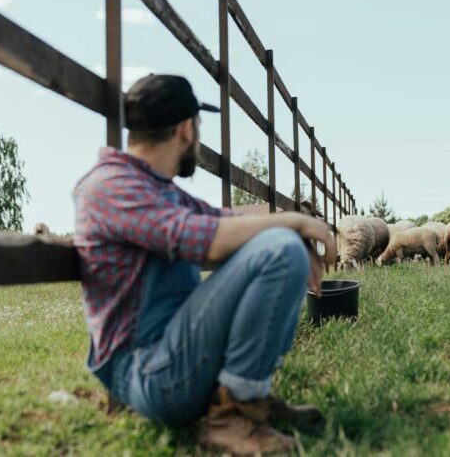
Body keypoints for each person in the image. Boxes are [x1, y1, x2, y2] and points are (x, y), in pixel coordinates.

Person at [73, 74, 335, 454]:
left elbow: (222, 219)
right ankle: (233, 417)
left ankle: (247, 400)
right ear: (186, 128)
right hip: (148, 372)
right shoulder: (111, 187)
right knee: (280, 249)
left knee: (280, 241)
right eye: (198, 126)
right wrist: (294, 224)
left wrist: (290, 226)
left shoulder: (156, 188)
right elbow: (202, 239)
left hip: (171, 354)